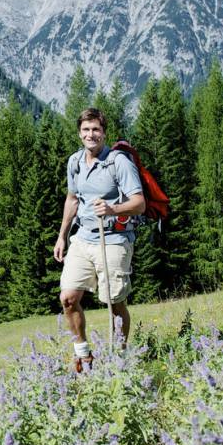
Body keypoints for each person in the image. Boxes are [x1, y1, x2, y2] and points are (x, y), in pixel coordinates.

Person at [53, 108, 147, 370]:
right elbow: (72, 200)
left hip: (114, 238)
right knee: (68, 298)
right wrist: (62, 236)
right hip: (83, 238)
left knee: (114, 302)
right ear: (79, 133)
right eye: (86, 129)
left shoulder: (118, 162)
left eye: (96, 129)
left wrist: (112, 209)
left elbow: (139, 203)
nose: (90, 134)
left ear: (104, 133)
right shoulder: (75, 162)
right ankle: (83, 355)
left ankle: (120, 357)